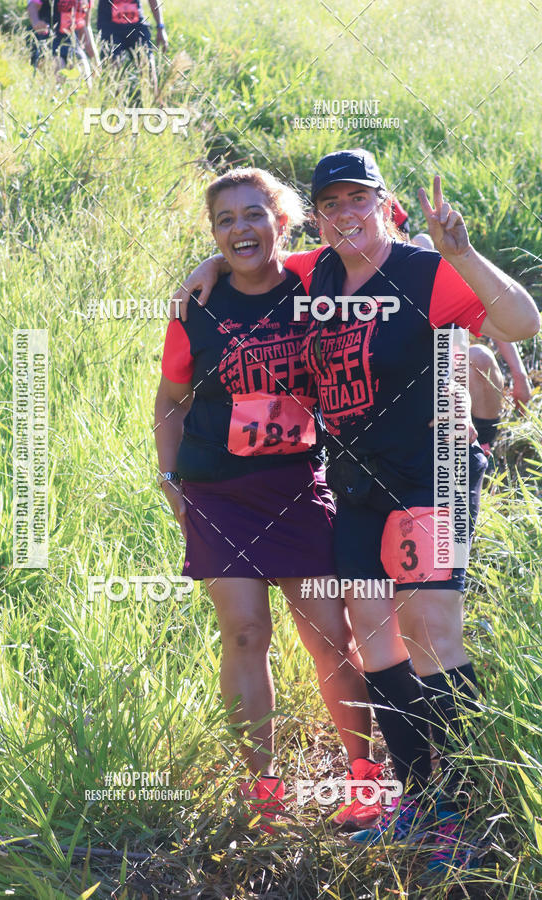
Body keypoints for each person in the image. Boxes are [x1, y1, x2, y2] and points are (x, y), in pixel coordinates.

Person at [170, 150, 539, 870]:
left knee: (430, 629)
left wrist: (463, 253)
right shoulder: (318, 275)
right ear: (318, 216)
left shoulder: (426, 272)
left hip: (431, 471)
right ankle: (420, 798)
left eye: (358, 201)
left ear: (385, 204)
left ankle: (460, 809)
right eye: (331, 205)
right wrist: (201, 272)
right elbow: (254, 255)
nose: (346, 216)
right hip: (357, 483)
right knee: (375, 636)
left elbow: (520, 322)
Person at [154, 167, 386, 834]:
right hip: (217, 491)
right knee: (245, 632)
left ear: (281, 221)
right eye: (224, 222)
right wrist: (171, 482)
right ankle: (264, 791)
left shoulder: (319, 283)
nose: (239, 230)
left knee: (330, 638)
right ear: (213, 233)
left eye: (253, 215)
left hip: (295, 486)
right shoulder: (196, 308)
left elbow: (358, 251)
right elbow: (169, 403)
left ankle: (364, 781)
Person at [411, 234, 533, 458]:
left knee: (479, 357)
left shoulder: (447, 283)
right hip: (413, 386)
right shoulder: (394, 290)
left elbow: (496, 320)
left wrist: (520, 375)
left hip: (451, 374)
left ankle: (483, 447)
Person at [96, 0, 167, 93]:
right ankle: (114, 105)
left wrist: (160, 28)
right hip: (110, 27)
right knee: (113, 73)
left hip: (136, 25)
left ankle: (153, 104)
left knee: (148, 68)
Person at [27, 0, 99, 79]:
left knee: (85, 76)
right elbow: (33, 5)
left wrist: (95, 59)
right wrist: (35, 21)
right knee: (59, 69)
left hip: (73, 43)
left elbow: (84, 26)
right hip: (49, 41)